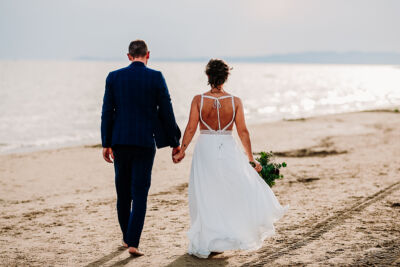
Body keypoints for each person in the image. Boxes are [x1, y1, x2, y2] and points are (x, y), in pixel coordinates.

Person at [173, 59, 289, 258]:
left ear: (208, 76)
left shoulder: (198, 100)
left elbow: (191, 128)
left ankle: (209, 241)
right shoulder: (235, 101)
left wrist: (182, 150)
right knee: (226, 192)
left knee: (205, 194)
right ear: (226, 77)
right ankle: (219, 239)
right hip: (227, 147)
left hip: (205, 149)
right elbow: (243, 131)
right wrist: (251, 159)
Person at [101, 40, 182, 256]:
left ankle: (127, 238)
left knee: (123, 194)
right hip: (145, 142)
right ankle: (133, 242)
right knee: (140, 194)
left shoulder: (114, 76)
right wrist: (175, 141)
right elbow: (167, 109)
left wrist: (106, 143)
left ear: (128, 56)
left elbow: (107, 112)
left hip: (119, 142)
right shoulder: (156, 77)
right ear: (148, 55)